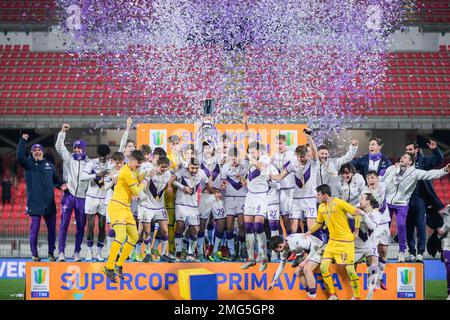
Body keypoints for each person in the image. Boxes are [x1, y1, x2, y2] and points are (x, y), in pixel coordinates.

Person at [380, 153, 450, 262]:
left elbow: (430, 174)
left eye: (405, 157)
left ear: (410, 162)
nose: (402, 157)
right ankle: (380, 253)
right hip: (388, 202)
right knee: (383, 227)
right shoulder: (392, 169)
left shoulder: (415, 173)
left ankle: (402, 251)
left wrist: (444, 171)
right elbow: (381, 180)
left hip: (402, 203)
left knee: (401, 225)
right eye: (402, 156)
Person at [307, 184, 363, 300]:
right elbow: (319, 222)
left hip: (346, 242)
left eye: (318, 194)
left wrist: (356, 230)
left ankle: (357, 296)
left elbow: (356, 213)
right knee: (323, 267)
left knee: (350, 270)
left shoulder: (339, 202)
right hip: (332, 243)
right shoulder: (321, 207)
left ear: (325, 195)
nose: (316, 197)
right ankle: (333, 295)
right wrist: (309, 231)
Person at [17, 134, 64, 262]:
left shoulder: (50, 165)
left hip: (49, 204)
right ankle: (34, 254)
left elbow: (56, 180)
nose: (37, 152)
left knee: (52, 232)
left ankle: (50, 253)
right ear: (31, 153)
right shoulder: (28, 164)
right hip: (35, 204)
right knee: (34, 230)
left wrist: (61, 185)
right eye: (34, 150)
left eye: (39, 150)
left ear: (42, 152)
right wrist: (23, 141)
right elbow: (19, 156)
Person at [103, 150, 148, 283]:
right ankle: (109, 267)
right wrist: (144, 183)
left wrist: (146, 174)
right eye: (137, 163)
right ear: (131, 160)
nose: (138, 166)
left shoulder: (132, 170)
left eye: (140, 164)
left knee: (134, 237)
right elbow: (136, 191)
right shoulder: (126, 171)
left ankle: (119, 264)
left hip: (126, 208)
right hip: (117, 207)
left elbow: (136, 179)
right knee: (121, 236)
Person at [270, 129, 319, 233]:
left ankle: (310, 248)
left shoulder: (313, 163)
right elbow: (279, 177)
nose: (300, 159)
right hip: (296, 199)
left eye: (302, 156)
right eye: (298, 156)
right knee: (293, 228)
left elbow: (314, 151)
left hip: (310, 198)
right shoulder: (293, 164)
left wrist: (309, 137)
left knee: (311, 229)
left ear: (307, 155)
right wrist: (268, 175)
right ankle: (293, 248)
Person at [405, 140, 444, 262]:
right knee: (409, 226)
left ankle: (420, 252)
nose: (408, 152)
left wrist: (435, 149)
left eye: (410, 150)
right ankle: (411, 252)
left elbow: (439, 160)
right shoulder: (404, 162)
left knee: (421, 226)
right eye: (406, 150)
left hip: (421, 198)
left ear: (416, 150)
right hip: (407, 199)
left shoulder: (424, 161)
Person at [55, 123, 89, 262]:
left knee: (81, 227)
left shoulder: (90, 163)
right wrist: (63, 131)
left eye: (79, 147)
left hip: (83, 198)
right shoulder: (68, 158)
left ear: (83, 149)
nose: (76, 150)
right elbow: (59, 147)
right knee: (63, 225)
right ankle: (61, 253)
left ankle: (76, 252)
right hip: (69, 196)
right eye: (74, 147)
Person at [169, 158, 212, 261]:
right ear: (188, 166)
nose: (194, 170)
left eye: (196, 168)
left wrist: (213, 191)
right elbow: (172, 180)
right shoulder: (182, 171)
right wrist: (183, 187)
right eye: (192, 168)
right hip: (181, 204)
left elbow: (207, 183)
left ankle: (190, 253)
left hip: (193, 205)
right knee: (179, 226)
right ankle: (178, 252)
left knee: (195, 229)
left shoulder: (201, 173)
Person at [241, 141, 271, 272]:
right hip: (250, 196)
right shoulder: (248, 163)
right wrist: (244, 180)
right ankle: (250, 258)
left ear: (259, 152)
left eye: (254, 151)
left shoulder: (264, 158)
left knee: (258, 225)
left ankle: (263, 257)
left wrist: (250, 157)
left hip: (261, 196)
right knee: (248, 227)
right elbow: (249, 176)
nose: (252, 153)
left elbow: (261, 167)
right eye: (250, 151)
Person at [137, 156, 173, 262]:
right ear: (157, 165)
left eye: (166, 167)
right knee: (147, 232)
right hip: (147, 206)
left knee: (165, 230)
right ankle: (147, 253)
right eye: (162, 167)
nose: (164, 169)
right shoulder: (149, 173)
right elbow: (142, 185)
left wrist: (170, 187)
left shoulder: (168, 174)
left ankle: (163, 254)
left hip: (159, 207)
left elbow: (171, 184)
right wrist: (146, 179)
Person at [267, 233, 325, 299]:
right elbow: (281, 265)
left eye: (275, 250)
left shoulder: (296, 241)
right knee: (298, 272)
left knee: (307, 269)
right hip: (309, 251)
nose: (276, 252)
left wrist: (305, 261)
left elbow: (315, 247)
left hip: (319, 247)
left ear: (280, 246)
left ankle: (312, 296)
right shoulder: (284, 249)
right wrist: (274, 281)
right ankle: (310, 294)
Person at [80, 144, 111, 262]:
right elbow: (83, 176)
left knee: (102, 226)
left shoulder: (111, 164)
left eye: (105, 157)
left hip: (104, 198)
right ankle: (89, 252)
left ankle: (99, 252)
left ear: (108, 155)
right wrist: (96, 175)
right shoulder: (92, 163)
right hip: (91, 197)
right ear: (97, 154)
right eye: (101, 157)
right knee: (91, 225)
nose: (103, 159)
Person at [198, 141, 226, 262]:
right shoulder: (199, 162)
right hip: (204, 196)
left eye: (210, 147)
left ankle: (214, 250)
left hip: (217, 197)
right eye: (206, 147)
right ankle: (199, 252)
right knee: (202, 225)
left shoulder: (219, 161)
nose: (208, 149)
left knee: (221, 224)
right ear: (202, 149)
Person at [221, 146, 248, 261]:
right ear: (228, 158)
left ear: (239, 157)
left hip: (242, 198)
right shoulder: (225, 167)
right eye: (231, 158)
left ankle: (242, 247)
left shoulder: (245, 165)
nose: (234, 160)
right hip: (229, 198)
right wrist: (222, 187)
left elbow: (248, 181)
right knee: (229, 225)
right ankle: (232, 251)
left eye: (235, 158)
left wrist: (242, 178)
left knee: (242, 224)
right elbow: (223, 182)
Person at [364, 170, 390, 290]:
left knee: (383, 251)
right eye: (369, 178)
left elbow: (391, 173)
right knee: (372, 254)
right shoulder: (364, 192)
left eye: (373, 178)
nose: (371, 180)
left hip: (384, 224)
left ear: (377, 179)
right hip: (372, 225)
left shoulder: (383, 186)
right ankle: (372, 280)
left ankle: (380, 277)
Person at [354, 193, 381, 300]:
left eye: (362, 198)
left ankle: (370, 295)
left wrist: (363, 215)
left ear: (368, 201)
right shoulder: (358, 211)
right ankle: (355, 294)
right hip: (358, 246)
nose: (359, 200)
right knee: (350, 268)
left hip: (371, 244)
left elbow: (372, 226)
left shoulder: (376, 214)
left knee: (373, 267)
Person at [270, 134, 296, 237]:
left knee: (295, 219)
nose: (278, 145)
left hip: (293, 190)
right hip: (281, 191)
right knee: (285, 219)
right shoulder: (273, 156)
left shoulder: (292, 155)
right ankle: (288, 243)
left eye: (280, 143)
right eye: (276, 143)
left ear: (285, 143)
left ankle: (297, 244)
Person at [103, 152, 125, 254]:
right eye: (117, 163)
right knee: (113, 227)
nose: (119, 165)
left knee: (121, 228)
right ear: (113, 162)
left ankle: (119, 251)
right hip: (110, 203)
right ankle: (110, 252)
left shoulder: (126, 172)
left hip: (122, 204)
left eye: (121, 163)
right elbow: (105, 188)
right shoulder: (108, 172)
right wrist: (113, 181)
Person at [437, 205, 450, 300]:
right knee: (449, 269)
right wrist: (440, 230)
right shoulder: (448, 209)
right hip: (447, 244)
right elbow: (446, 225)